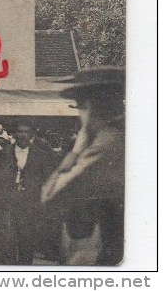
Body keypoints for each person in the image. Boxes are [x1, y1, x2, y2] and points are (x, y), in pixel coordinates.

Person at [41, 67, 125, 266]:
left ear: (88, 107)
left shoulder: (105, 144)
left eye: (79, 106)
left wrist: (77, 148)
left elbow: (52, 194)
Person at [0, 122, 55, 265]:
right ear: (14, 135)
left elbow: (47, 180)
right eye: (20, 132)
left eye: (26, 132)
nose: (23, 135)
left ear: (31, 135)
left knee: (27, 243)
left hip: (29, 205)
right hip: (7, 204)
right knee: (7, 242)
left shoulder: (41, 155)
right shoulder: (4, 153)